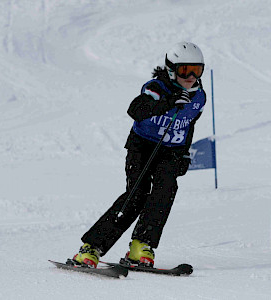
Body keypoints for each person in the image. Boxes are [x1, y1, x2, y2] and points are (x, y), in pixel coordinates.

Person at [71, 41, 207, 268]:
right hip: (143, 147)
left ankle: (141, 246)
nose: (191, 76)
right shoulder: (156, 88)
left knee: (165, 190)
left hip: (171, 151)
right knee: (137, 194)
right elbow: (135, 110)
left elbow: (189, 125)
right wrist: (167, 103)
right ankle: (91, 248)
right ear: (172, 69)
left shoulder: (199, 97)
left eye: (197, 70)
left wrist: (184, 154)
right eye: (185, 70)